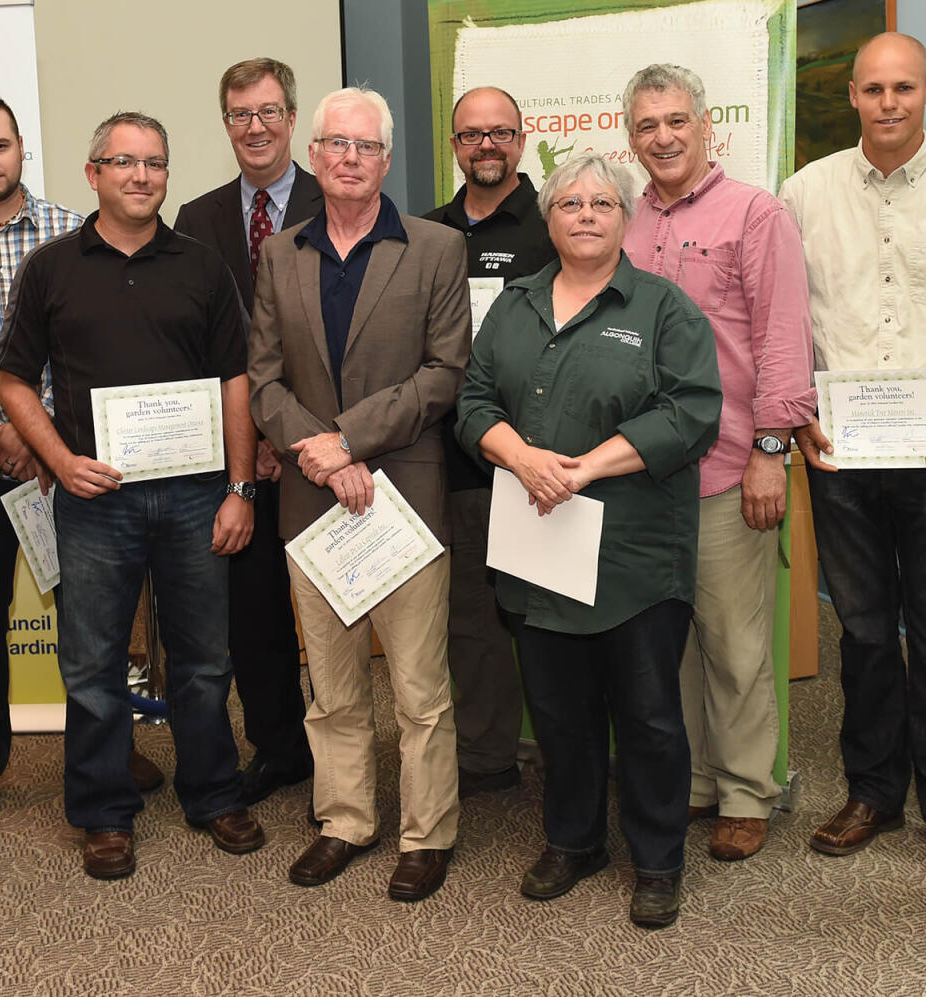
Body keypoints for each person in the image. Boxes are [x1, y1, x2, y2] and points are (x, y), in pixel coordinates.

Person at [456, 151, 721, 928]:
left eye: (602, 203)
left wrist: (582, 468)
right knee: (560, 711)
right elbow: (473, 400)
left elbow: (690, 413)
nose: (585, 215)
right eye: (570, 202)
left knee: (647, 716)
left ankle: (658, 859)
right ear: (551, 218)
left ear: (624, 216)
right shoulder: (515, 304)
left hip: (634, 555)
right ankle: (573, 842)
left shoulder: (664, 309)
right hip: (538, 551)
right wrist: (524, 456)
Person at [0, 112, 262, 880]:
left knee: (205, 659)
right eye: (123, 162)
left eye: (154, 163)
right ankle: (105, 812)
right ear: (94, 174)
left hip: (192, 496)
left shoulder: (203, 266)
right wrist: (57, 459)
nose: (140, 176)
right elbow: (13, 378)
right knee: (92, 665)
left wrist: (240, 486)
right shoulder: (50, 267)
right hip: (95, 500)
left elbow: (234, 380)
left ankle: (213, 792)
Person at [779, 32, 926, 884]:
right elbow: (787, 322)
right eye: (873, 88)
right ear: (851, 96)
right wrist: (799, 418)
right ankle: (873, 790)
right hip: (840, 434)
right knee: (867, 628)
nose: (888, 103)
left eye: (903, 88)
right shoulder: (803, 194)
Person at [0, 94, 165, 834]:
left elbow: (92, 345)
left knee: (93, 619)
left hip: (65, 457)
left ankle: (107, 749)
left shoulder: (69, 233)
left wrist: (38, 429)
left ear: (22, 148)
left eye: (0, 145)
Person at [248, 87, 468, 902]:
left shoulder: (437, 248)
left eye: (365, 146)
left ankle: (426, 832)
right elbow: (263, 378)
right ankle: (344, 819)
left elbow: (446, 373)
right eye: (335, 145)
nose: (349, 158)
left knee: (419, 688)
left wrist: (350, 441)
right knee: (332, 685)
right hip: (314, 502)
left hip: (402, 496)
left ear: (386, 158)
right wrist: (324, 455)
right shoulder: (282, 254)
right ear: (313, 155)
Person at [621, 64, 816, 862]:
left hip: (729, 464)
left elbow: (782, 334)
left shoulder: (756, 213)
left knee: (736, 645)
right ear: (629, 137)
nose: (662, 136)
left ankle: (745, 791)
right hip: (641, 476)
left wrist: (773, 449)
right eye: (646, 125)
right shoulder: (623, 220)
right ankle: (697, 780)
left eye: (676, 121)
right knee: (670, 643)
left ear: (708, 126)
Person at [174, 58, 323, 806]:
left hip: (324, 444)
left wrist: (288, 430)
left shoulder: (342, 196)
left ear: (292, 118)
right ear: (225, 123)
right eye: (240, 114)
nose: (255, 127)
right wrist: (247, 438)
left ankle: (345, 745)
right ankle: (279, 745)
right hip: (239, 453)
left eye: (268, 112)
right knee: (255, 608)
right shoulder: (196, 220)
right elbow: (196, 344)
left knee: (337, 603)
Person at [422, 85, 555, 798]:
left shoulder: (554, 224)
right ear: (454, 146)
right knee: (471, 619)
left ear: (522, 138)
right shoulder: (428, 232)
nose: (486, 146)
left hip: (543, 458)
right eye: (472, 134)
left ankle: (567, 753)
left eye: (500, 131)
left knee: (549, 615)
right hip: (454, 460)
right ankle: (486, 756)